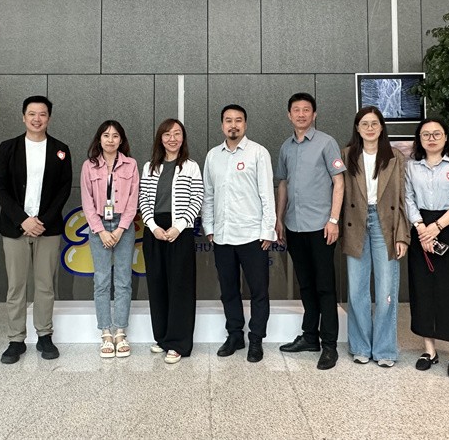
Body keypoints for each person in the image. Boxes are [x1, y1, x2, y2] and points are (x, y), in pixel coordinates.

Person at [0, 95, 72, 365]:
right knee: (16, 286)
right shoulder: (8, 147)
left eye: (42, 114)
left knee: (45, 284)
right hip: (15, 228)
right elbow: (0, 185)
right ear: (23, 117)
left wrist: (42, 221)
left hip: (47, 229)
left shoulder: (60, 149)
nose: (37, 119)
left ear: (49, 118)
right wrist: (22, 219)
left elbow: (63, 190)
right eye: (32, 114)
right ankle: (16, 339)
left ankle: (44, 335)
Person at [275, 92, 346, 370]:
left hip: (321, 227)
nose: (301, 114)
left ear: (314, 114)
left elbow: (338, 182)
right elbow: (283, 184)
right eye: (296, 110)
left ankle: (329, 345)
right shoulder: (286, 147)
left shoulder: (327, 143)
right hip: (294, 226)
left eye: (306, 110)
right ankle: (309, 337)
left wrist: (334, 220)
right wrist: (279, 219)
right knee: (305, 285)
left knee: (325, 287)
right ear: (289, 115)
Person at [202, 104, 276, 363]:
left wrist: (268, 230)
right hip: (222, 236)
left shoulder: (258, 153)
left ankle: (256, 340)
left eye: (238, 120)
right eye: (228, 120)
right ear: (222, 124)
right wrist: (209, 228)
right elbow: (208, 195)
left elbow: (267, 194)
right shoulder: (213, 156)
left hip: (253, 236)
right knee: (229, 290)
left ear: (245, 124)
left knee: (258, 291)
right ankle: (235, 336)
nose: (233, 125)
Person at [405, 118, 449, 379]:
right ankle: (429, 350)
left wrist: (436, 227)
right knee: (423, 288)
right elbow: (407, 198)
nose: (431, 138)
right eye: (426, 134)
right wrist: (421, 227)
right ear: (419, 139)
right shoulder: (411, 167)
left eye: (437, 134)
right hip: (420, 227)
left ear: (446, 137)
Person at [341, 106, 409, 368]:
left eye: (374, 123)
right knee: (357, 290)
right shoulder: (347, 155)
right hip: (355, 223)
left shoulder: (394, 156)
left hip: (386, 225)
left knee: (385, 290)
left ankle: (384, 349)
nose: (370, 128)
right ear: (357, 128)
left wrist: (402, 235)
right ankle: (360, 346)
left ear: (382, 127)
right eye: (364, 124)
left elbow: (403, 197)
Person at [138, 118, 204, 364]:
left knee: (180, 287)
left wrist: (179, 226)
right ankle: (163, 338)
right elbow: (143, 199)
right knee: (157, 285)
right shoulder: (149, 166)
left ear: (183, 138)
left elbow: (197, 199)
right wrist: (153, 227)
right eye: (167, 134)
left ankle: (178, 343)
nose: (172, 139)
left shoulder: (191, 166)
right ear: (160, 138)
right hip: (154, 231)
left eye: (177, 134)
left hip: (180, 231)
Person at [80, 120, 139, 359]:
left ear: (121, 140)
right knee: (102, 280)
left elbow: (133, 200)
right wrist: (101, 231)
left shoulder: (131, 164)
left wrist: (121, 228)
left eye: (115, 136)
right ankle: (105, 332)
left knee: (123, 281)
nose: (111, 140)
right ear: (99, 139)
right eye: (106, 135)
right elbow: (87, 201)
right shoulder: (89, 166)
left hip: (124, 225)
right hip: (99, 226)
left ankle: (121, 332)